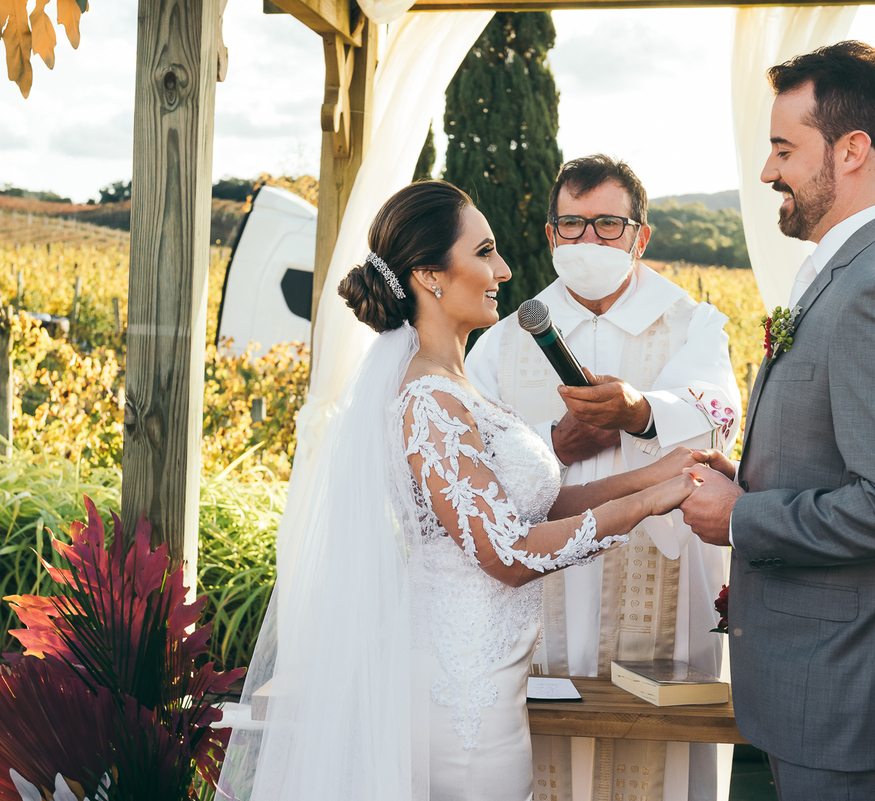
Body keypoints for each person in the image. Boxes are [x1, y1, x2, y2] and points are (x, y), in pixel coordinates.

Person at [217, 180, 715, 801]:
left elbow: (531, 509)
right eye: (484, 253)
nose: (503, 270)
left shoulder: (455, 386)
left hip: (487, 679)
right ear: (429, 276)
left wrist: (661, 474)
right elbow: (506, 553)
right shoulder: (429, 399)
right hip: (459, 693)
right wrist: (643, 505)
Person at [680, 41, 875, 799]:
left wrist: (741, 517)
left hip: (852, 702)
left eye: (783, 149)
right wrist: (752, 478)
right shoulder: (862, 271)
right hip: (830, 692)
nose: (767, 171)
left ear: (851, 150)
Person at [465, 154, 740, 800]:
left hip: (661, 586)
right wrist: (557, 442)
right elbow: (470, 462)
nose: (589, 240)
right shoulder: (504, 340)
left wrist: (640, 415)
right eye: (573, 224)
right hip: (542, 586)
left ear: (640, 237)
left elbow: (718, 418)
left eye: (608, 224)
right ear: (551, 235)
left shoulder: (691, 324)